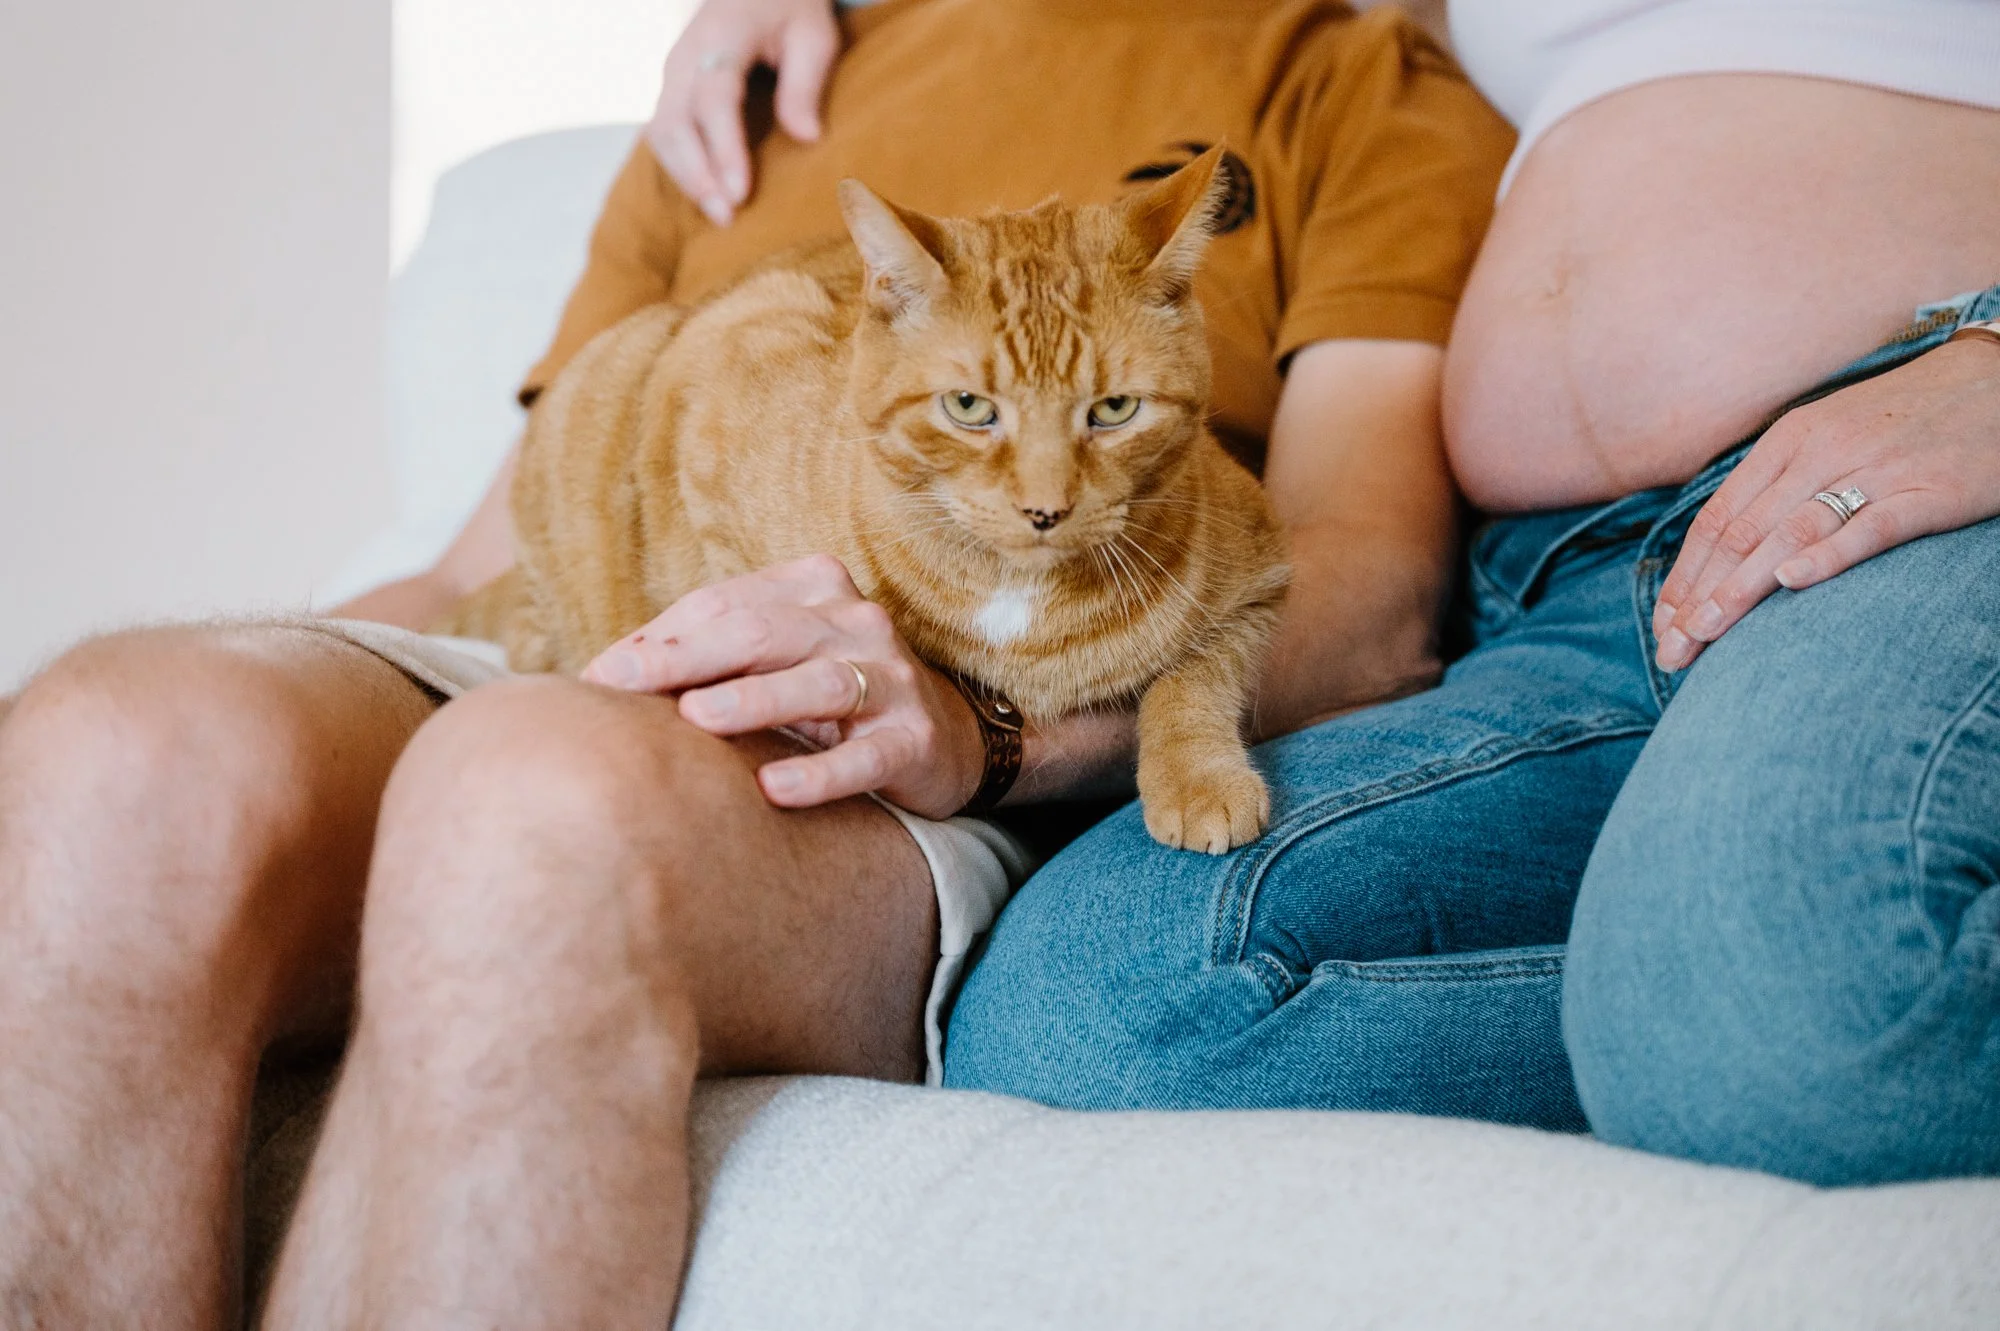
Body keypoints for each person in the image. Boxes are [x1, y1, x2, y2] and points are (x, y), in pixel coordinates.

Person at [0, 1, 1511, 1323]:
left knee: (523, 794)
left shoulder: (1348, 76)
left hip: (937, 747)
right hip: (607, 631)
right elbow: (473, 564)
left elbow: (1367, 593)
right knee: (109, 746)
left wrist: (992, 730)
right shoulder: (740, 88)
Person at [653, 0, 2000, 1182]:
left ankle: (1724, 1001)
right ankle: (1687, 981)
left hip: (1903, 494)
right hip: (1560, 577)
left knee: (1803, 1027)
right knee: (1081, 1016)